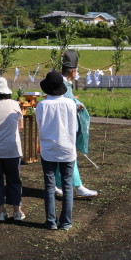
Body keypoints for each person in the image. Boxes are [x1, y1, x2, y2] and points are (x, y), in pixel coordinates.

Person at [35, 70, 78, 231]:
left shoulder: (42, 105)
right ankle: (66, 222)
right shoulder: (70, 104)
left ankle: (51, 221)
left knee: (49, 186)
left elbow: (40, 126)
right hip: (67, 147)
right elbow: (73, 126)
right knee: (67, 186)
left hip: (49, 149)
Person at [57, 51, 98, 199]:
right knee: (69, 156)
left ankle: (58, 184)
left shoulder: (63, 82)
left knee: (61, 157)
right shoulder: (62, 83)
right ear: (73, 71)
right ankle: (78, 186)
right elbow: (64, 102)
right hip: (65, 125)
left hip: (63, 125)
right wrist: (76, 105)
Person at [0, 77, 25, 222]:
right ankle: (17, 211)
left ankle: (1, 212)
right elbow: (20, 126)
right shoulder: (14, 104)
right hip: (12, 149)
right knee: (14, 180)